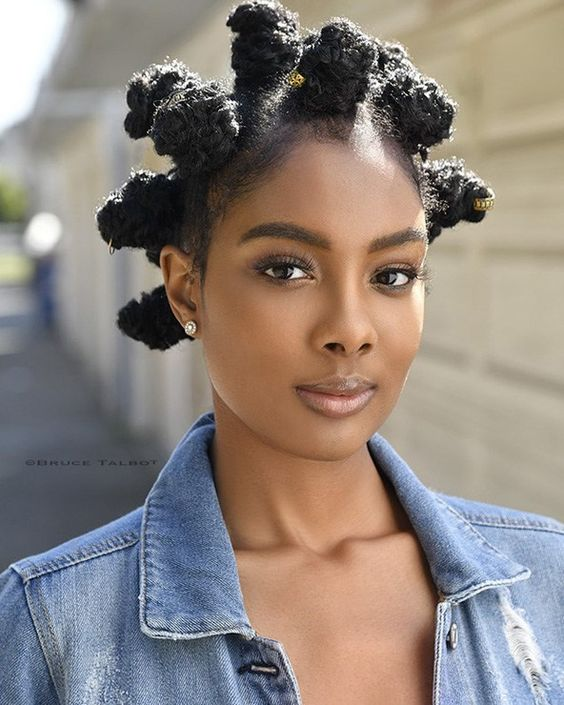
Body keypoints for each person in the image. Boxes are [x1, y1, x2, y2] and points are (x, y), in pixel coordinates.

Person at [1, 2, 562, 704]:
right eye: (288, 268)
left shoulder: (549, 582)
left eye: (392, 275)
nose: (350, 329)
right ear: (186, 289)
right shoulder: (51, 630)